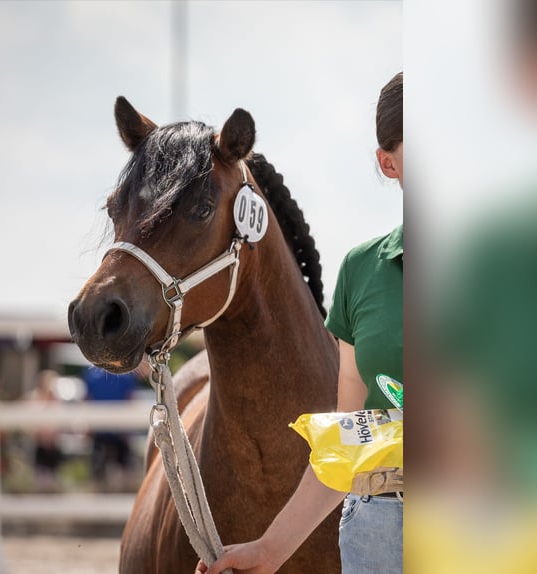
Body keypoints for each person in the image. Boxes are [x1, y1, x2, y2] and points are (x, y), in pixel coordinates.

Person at [197, 72, 404, 574]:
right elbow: (352, 434)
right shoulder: (362, 270)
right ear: (389, 162)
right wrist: (269, 549)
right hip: (377, 533)